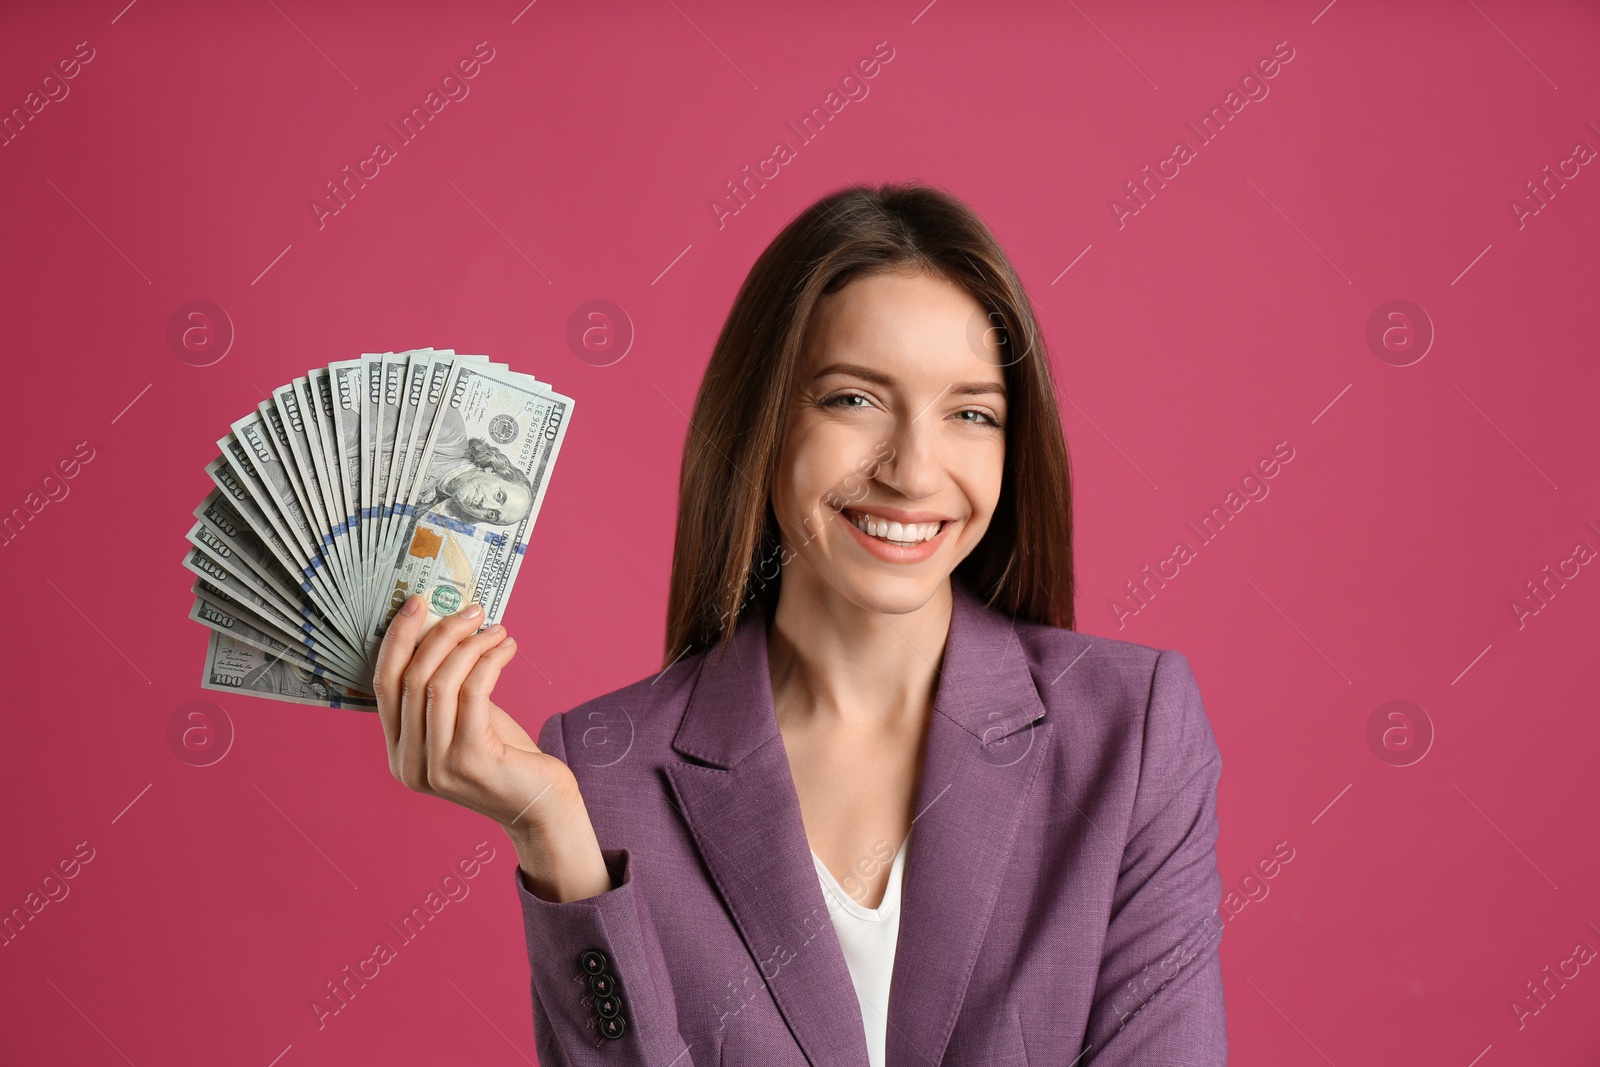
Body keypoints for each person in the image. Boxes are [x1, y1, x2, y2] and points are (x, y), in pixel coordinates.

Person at [373, 182, 1227, 1065]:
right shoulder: (601, 769)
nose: (914, 471)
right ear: (763, 421)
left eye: (972, 413)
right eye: (854, 399)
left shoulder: (1132, 730)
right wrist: (552, 832)